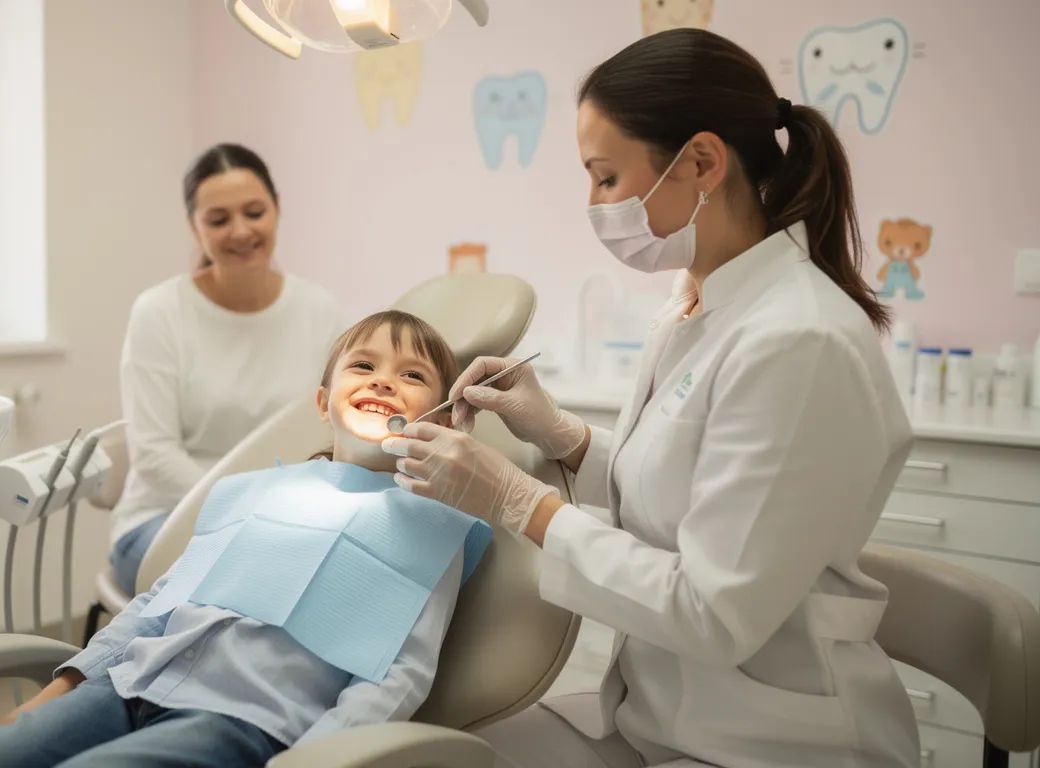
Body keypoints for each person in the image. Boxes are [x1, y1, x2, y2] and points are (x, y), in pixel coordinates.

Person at [383, 29, 920, 768]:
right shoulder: (697, 303)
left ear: (701, 161)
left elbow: (712, 611)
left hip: (771, 740)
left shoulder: (801, 341)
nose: (595, 204)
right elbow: (689, 491)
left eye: (606, 178)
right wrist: (563, 436)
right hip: (659, 714)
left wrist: (518, 501)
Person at [0, 311, 485, 768]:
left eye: (411, 377)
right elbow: (157, 604)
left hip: (243, 719)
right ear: (323, 402)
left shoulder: (429, 530)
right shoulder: (258, 492)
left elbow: (398, 676)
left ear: (442, 421)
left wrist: (312, 759)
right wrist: (61, 690)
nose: (383, 381)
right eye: (363, 366)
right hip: (131, 681)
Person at [110, 143, 342, 593]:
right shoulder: (160, 312)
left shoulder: (320, 310)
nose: (240, 231)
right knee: (262, 585)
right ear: (194, 228)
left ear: (276, 210)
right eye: (218, 220)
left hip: (285, 522)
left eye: (254, 212)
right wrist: (251, 510)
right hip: (166, 520)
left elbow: (337, 430)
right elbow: (156, 457)